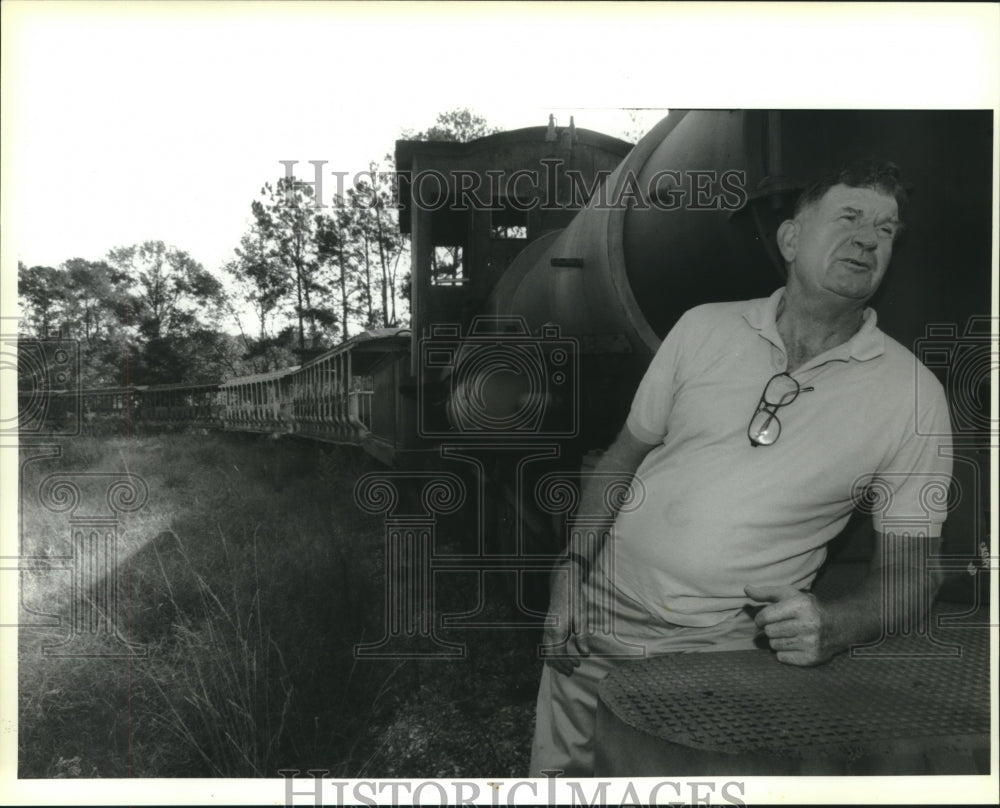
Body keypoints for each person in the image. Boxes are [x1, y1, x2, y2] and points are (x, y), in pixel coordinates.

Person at [529, 160, 954, 777]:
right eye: (850, 217)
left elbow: (915, 576)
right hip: (596, 623)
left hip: (726, 651)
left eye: (886, 230)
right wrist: (569, 573)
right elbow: (623, 456)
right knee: (563, 780)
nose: (869, 238)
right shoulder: (702, 328)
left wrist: (837, 625)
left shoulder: (912, 396)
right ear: (789, 239)